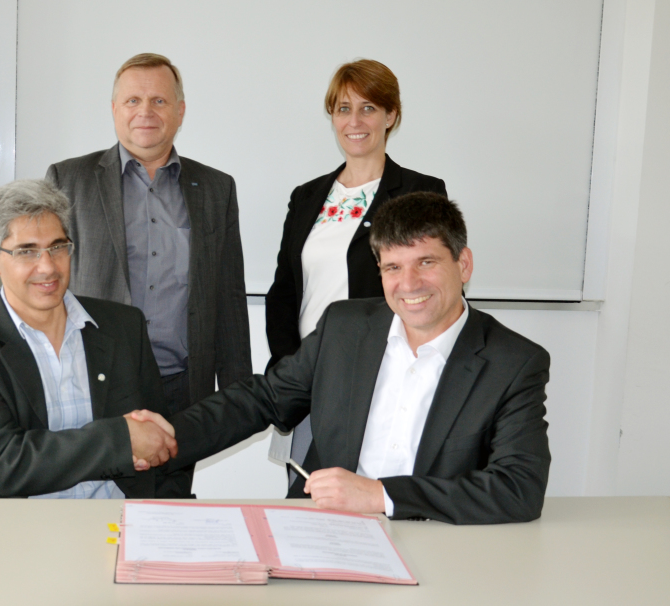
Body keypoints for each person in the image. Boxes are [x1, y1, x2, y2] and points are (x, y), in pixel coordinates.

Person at [136, 192, 551, 524]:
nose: (409, 283)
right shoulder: (344, 327)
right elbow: (261, 399)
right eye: (392, 267)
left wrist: (381, 495)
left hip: (436, 537)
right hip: (327, 528)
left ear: (463, 264)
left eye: (426, 262)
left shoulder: (513, 363)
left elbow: (518, 489)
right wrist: (166, 437)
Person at [0, 179, 188, 499]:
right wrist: (121, 440)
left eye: (57, 247)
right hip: (24, 531)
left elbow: (157, 441)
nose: (47, 267)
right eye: (27, 251)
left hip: (120, 520)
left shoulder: (123, 326)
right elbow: (7, 463)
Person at [265, 59, 448, 476]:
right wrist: (288, 366)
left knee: (373, 500)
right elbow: (284, 292)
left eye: (368, 108)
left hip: (381, 376)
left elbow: (427, 289)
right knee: (307, 497)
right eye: (343, 108)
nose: (355, 121)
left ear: (391, 116)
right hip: (311, 375)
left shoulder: (421, 191)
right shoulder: (307, 196)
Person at [46, 53, 252, 422]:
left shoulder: (216, 188)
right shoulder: (68, 180)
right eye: (133, 101)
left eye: (159, 100)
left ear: (180, 111)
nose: (146, 111)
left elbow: (229, 294)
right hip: (93, 384)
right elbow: (46, 282)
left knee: (173, 483)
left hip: (184, 389)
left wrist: (239, 395)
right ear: (114, 110)